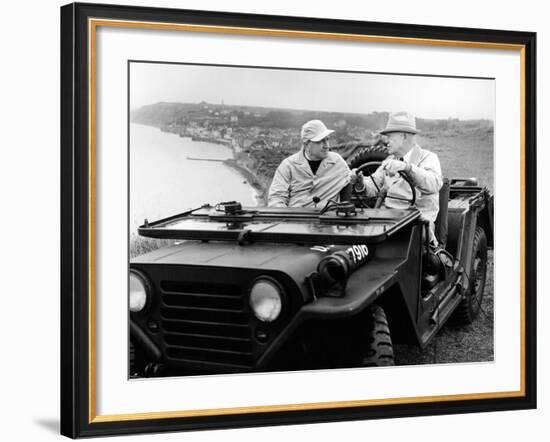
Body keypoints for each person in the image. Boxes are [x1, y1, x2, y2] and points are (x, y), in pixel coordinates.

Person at [353, 112, 442, 243]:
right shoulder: (389, 161)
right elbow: (373, 186)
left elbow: (434, 184)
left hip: (416, 224)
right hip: (386, 221)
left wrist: (407, 167)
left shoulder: (427, 158)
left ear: (404, 137)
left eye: (389, 137)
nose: (386, 141)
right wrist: (360, 182)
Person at [268, 120, 352, 208]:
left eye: (327, 139)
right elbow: (276, 199)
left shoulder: (337, 162)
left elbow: (358, 184)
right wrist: (287, 219)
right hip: (296, 218)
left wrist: (360, 184)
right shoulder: (288, 166)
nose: (326, 145)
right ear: (307, 143)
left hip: (327, 218)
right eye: (320, 141)